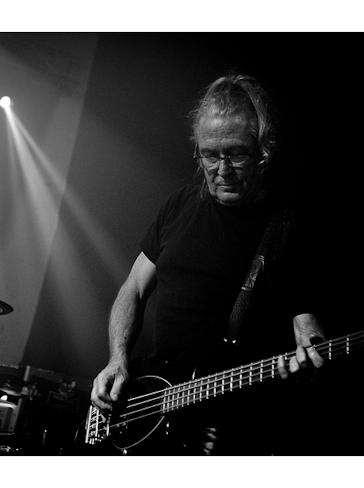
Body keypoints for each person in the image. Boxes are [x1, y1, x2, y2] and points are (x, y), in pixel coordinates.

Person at [90, 74, 326, 455]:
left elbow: (306, 327)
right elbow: (133, 288)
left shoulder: (284, 228)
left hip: (230, 422)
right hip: (152, 401)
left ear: (263, 150)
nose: (222, 169)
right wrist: (117, 358)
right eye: (210, 155)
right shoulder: (178, 205)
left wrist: (310, 353)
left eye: (236, 154)